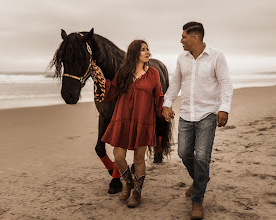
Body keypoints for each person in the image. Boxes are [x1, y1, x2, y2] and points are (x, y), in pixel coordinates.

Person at [162, 22, 233, 219]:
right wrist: (167, 104)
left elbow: (226, 84)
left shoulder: (217, 56)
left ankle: (197, 201)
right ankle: (201, 178)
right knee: (184, 153)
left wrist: (224, 109)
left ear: (195, 38)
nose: (181, 40)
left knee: (202, 157)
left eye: (184, 37)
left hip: (208, 114)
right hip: (186, 114)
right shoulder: (181, 58)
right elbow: (175, 83)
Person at [91, 40, 164, 208]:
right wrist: (100, 80)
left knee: (139, 159)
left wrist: (163, 111)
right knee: (119, 157)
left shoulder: (153, 73)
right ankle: (129, 183)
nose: (148, 53)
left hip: (143, 121)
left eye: (148, 49)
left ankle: (137, 192)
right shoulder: (123, 72)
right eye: (143, 50)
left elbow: (159, 96)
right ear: (134, 54)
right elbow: (111, 91)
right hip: (122, 119)